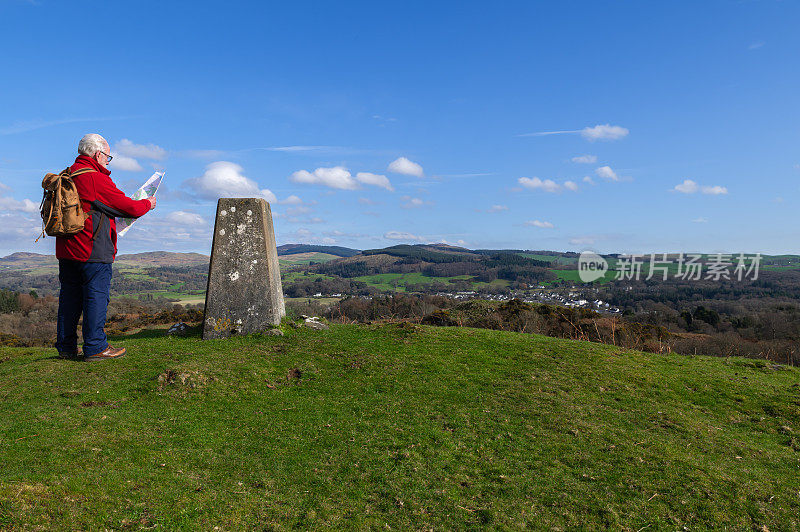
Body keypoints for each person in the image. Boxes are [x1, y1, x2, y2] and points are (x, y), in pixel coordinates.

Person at [55, 133, 156, 362]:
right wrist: (147, 204)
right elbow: (127, 207)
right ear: (98, 154)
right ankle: (96, 347)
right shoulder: (94, 178)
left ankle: (66, 347)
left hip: (66, 248)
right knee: (96, 297)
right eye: (108, 157)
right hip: (91, 248)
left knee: (69, 298)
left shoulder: (68, 174)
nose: (107, 162)